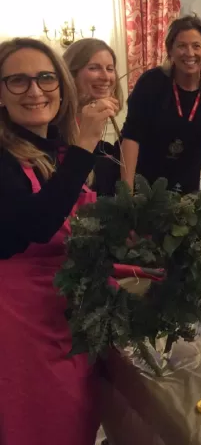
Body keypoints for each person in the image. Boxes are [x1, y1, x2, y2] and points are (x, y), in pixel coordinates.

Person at [0, 38, 118, 445]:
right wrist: (86, 145)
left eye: (45, 78)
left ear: (61, 86)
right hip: (20, 327)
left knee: (75, 425)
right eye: (18, 81)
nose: (35, 91)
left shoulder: (51, 146)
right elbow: (37, 223)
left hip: (63, 314)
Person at [120, 15, 201, 194]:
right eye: (181, 46)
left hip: (187, 186)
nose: (190, 53)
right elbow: (131, 137)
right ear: (170, 50)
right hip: (143, 183)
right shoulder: (150, 83)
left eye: (196, 46)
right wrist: (126, 190)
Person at [63, 38, 124, 195]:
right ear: (71, 74)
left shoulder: (104, 147)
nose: (105, 77)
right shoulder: (57, 130)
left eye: (110, 69)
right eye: (94, 68)